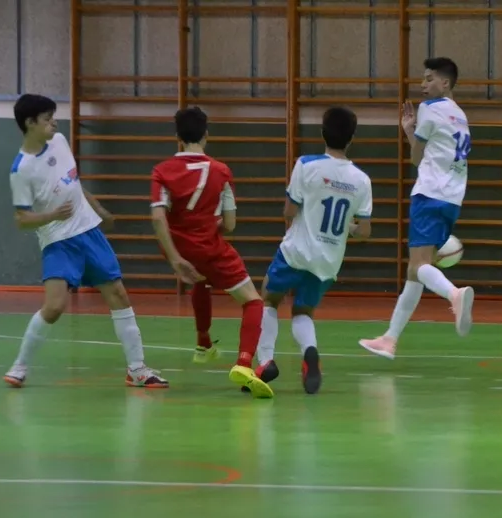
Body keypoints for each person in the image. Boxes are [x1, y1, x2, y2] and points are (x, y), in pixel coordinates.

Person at [3, 94, 168, 389]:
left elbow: (74, 184)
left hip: (89, 232)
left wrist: (99, 209)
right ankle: (19, 366)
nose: (54, 123)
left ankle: (137, 369)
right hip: (58, 241)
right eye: (47, 119)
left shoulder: (59, 141)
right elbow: (21, 219)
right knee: (54, 306)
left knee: (118, 294)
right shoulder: (22, 169)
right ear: (29, 123)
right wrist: (52, 215)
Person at [149, 106, 273, 399]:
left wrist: (175, 258)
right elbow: (229, 224)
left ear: (178, 137)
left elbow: (158, 217)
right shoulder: (221, 171)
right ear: (206, 135)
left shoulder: (162, 171)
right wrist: (209, 223)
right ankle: (244, 363)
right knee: (253, 301)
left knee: (200, 279)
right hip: (208, 247)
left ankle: (203, 342)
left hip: (177, 249)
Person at [358, 56, 474, 360]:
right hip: (452, 198)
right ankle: (389, 339)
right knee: (415, 271)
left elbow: (415, 159)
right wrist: (412, 130)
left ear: (445, 83)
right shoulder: (460, 114)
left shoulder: (429, 108)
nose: (423, 85)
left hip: (429, 194)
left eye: (429, 78)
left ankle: (454, 294)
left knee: (419, 266)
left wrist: (409, 131)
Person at [255, 106, 373, 394]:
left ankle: (265, 361)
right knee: (303, 310)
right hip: (327, 261)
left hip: (296, 252)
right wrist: (348, 227)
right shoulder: (361, 179)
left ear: (322, 133)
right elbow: (364, 232)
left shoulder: (306, 165)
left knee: (268, 297)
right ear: (351, 138)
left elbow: (288, 211)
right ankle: (310, 351)